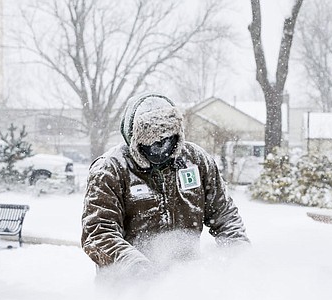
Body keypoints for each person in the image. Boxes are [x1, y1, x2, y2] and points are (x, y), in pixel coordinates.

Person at [81, 92, 249, 279]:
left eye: (167, 139)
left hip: (184, 282)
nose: (160, 147)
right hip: (127, 287)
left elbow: (225, 215)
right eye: (151, 142)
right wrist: (134, 265)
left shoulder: (196, 161)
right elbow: (99, 233)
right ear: (134, 138)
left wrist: (240, 255)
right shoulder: (110, 170)